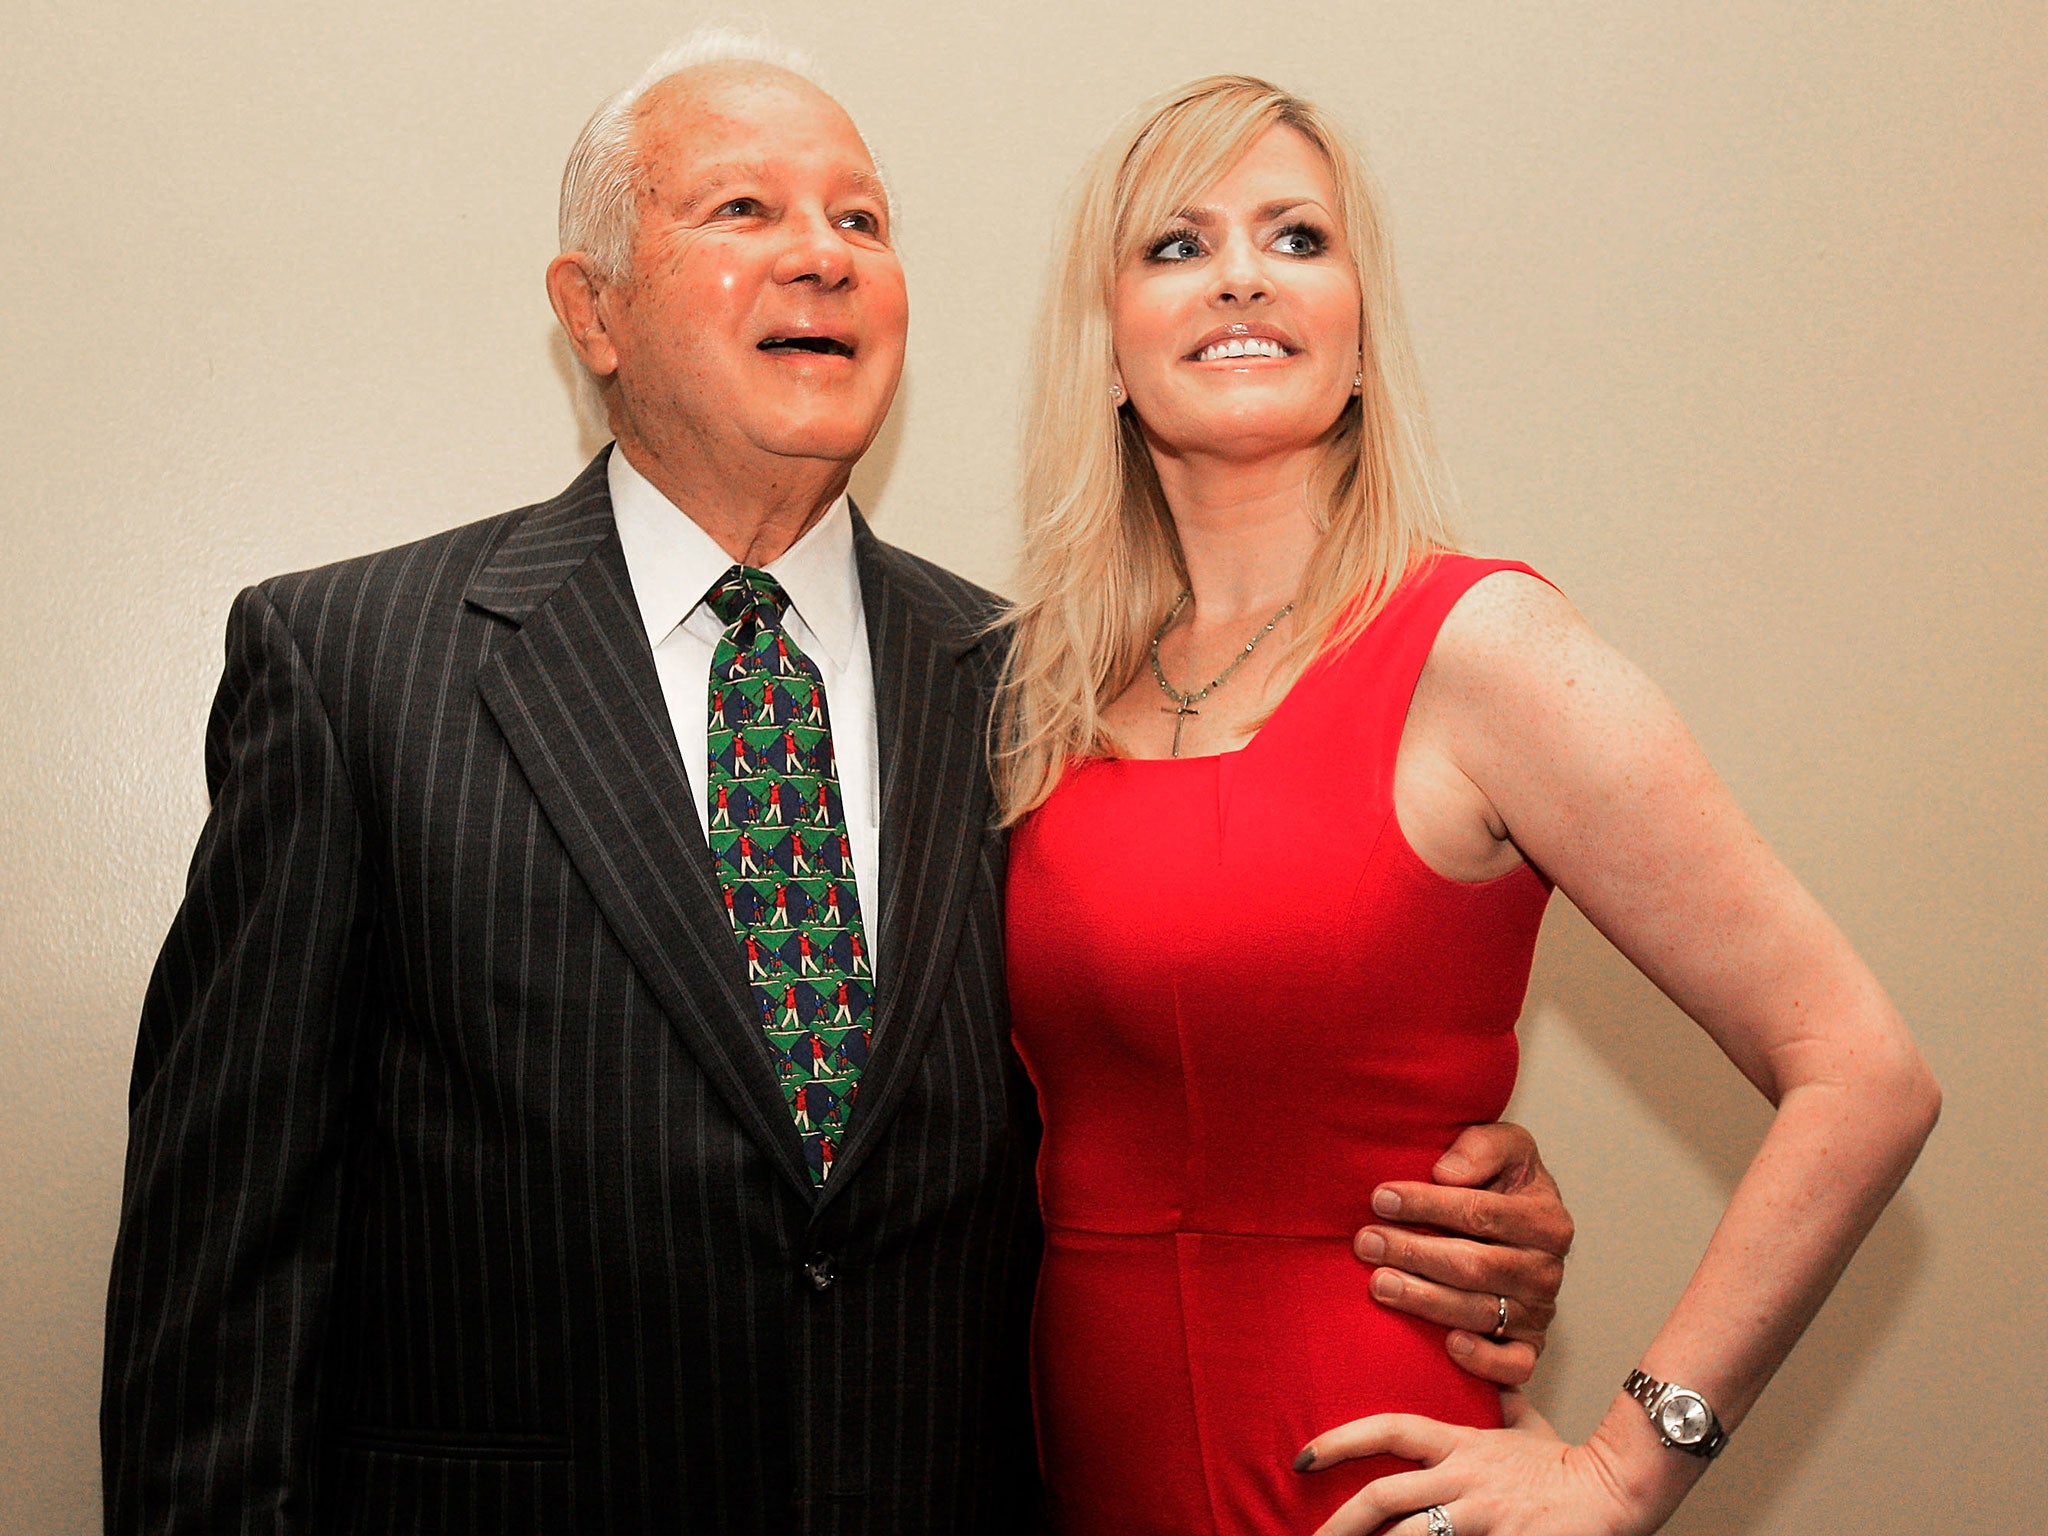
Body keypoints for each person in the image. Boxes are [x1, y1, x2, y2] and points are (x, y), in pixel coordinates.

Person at [99, 36, 1580, 1536]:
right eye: (744, 211)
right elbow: (222, 1279)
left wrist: (1432, 1205)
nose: (823, 257)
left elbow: (1160, 1062)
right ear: (591, 311)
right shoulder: (353, 665)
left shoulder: (1040, 690)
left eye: (862, 221)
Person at [997, 76, 1939, 1536]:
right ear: (1108, 350)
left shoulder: (1483, 651)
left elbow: (1863, 1074)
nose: (1240, 271)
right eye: (1175, 244)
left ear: (1363, 336)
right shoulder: (1036, 701)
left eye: (1295, 236)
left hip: (1368, 1497)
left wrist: (1630, 1469)